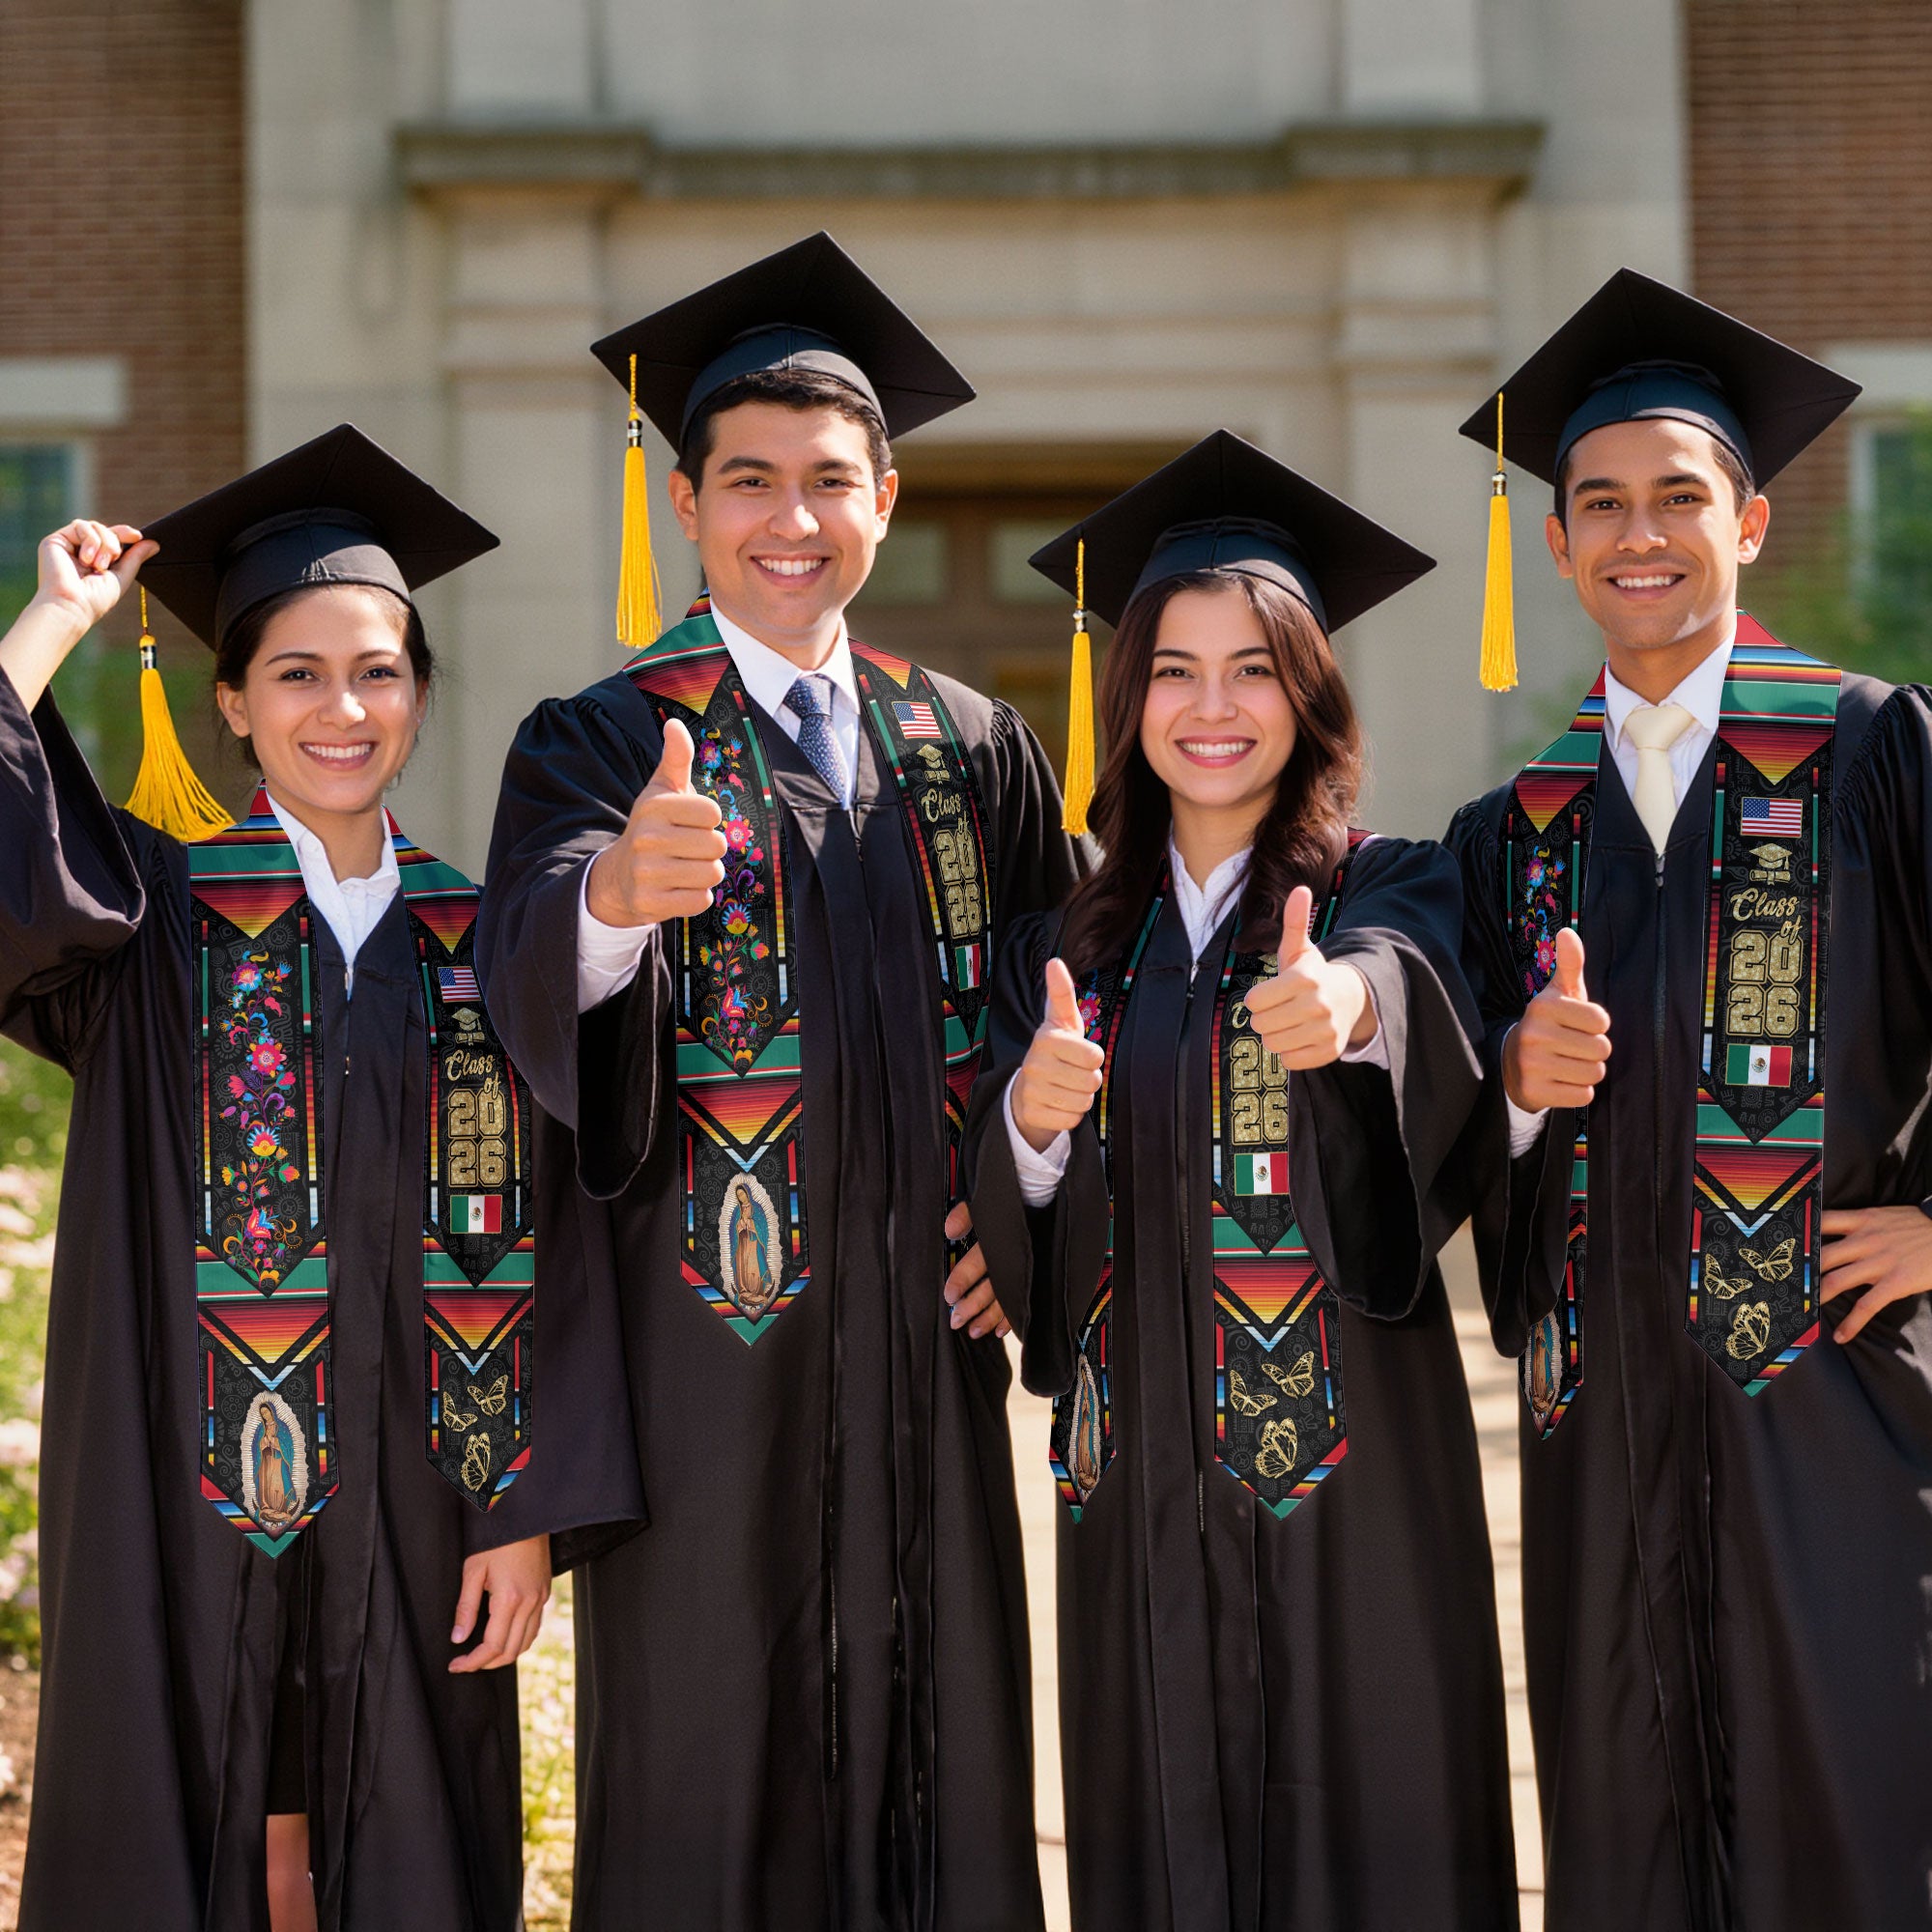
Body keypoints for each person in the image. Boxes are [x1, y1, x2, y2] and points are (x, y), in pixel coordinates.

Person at [478, 233, 1084, 1931]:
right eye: (750, 481)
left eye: (831, 481)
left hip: (925, 1359)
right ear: (687, 504)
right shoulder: (599, 739)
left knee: (943, 1759)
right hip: (706, 1375)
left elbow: (1073, 1007)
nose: (791, 519)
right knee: (709, 1775)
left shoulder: (970, 744)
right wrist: (610, 899)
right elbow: (520, 966)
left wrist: (1024, 1212)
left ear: (886, 497)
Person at [0, 425, 635, 1932]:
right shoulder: (149, 917)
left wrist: (528, 1508)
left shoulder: (489, 943)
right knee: (187, 1810)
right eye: (296, 673)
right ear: (230, 700)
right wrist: (50, 625)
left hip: (427, 1496)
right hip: (181, 1485)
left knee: (408, 1838)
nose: (342, 708)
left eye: (379, 671)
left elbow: (570, 1236)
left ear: (419, 693)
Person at [965, 432, 1519, 1931]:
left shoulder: (1388, 885)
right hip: (1135, 1477)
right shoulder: (1064, 947)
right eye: (1175, 670)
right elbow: (1020, 1229)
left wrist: (1346, 1013)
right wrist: (1026, 1119)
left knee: (1377, 1832)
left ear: (1311, 693)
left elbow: (1410, 993)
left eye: (1256, 668)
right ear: (1127, 697)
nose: (1214, 709)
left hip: (1355, 1480)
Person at [1446, 270, 1932, 1930]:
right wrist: (1512, 1090)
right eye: (1599, 504)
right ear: (1562, 543)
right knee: (1623, 1821)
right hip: (1603, 1427)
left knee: (1853, 1807)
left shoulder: (1874, 753)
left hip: (1835, 1404)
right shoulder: (1516, 828)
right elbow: (1447, 1135)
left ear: (1752, 520)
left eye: (1677, 497)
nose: (1637, 534)